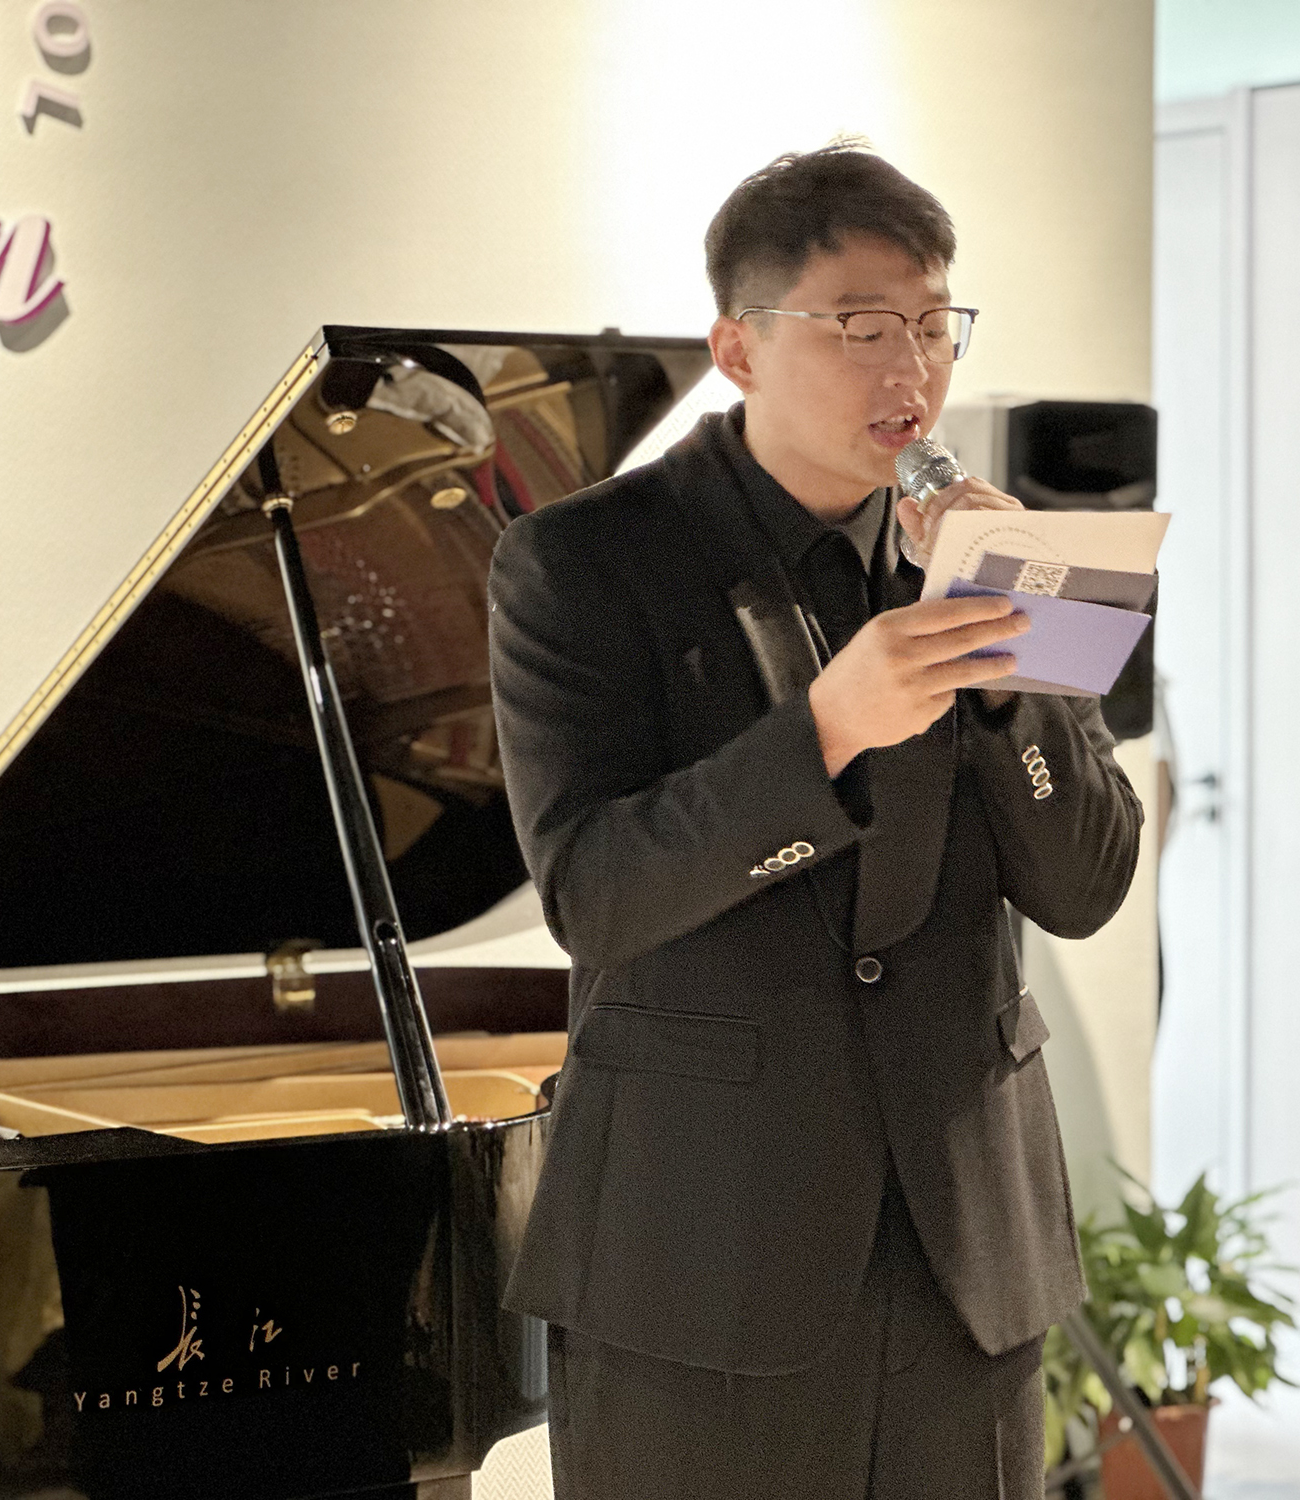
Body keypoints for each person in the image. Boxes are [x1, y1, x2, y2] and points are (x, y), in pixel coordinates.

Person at [488, 143, 1144, 1500]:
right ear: (738, 346)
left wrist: (1019, 691)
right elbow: (594, 896)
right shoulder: (580, 560)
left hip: (968, 1251)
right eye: (861, 327)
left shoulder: (1015, 555)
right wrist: (827, 733)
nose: (911, 370)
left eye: (934, 326)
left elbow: (1087, 887)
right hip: (697, 1256)